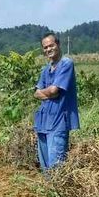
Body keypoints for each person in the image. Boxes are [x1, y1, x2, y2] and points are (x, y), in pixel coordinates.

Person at [34, 32, 79, 172]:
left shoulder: (66, 64)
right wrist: (49, 93)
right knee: (45, 168)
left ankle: (57, 194)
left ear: (58, 45)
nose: (48, 49)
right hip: (42, 123)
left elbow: (54, 90)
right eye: (45, 47)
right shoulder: (45, 70)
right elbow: (36, 93)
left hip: (58, 123)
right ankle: (48, 194)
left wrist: (46, 92)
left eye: (51, 45)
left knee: (56, 169)